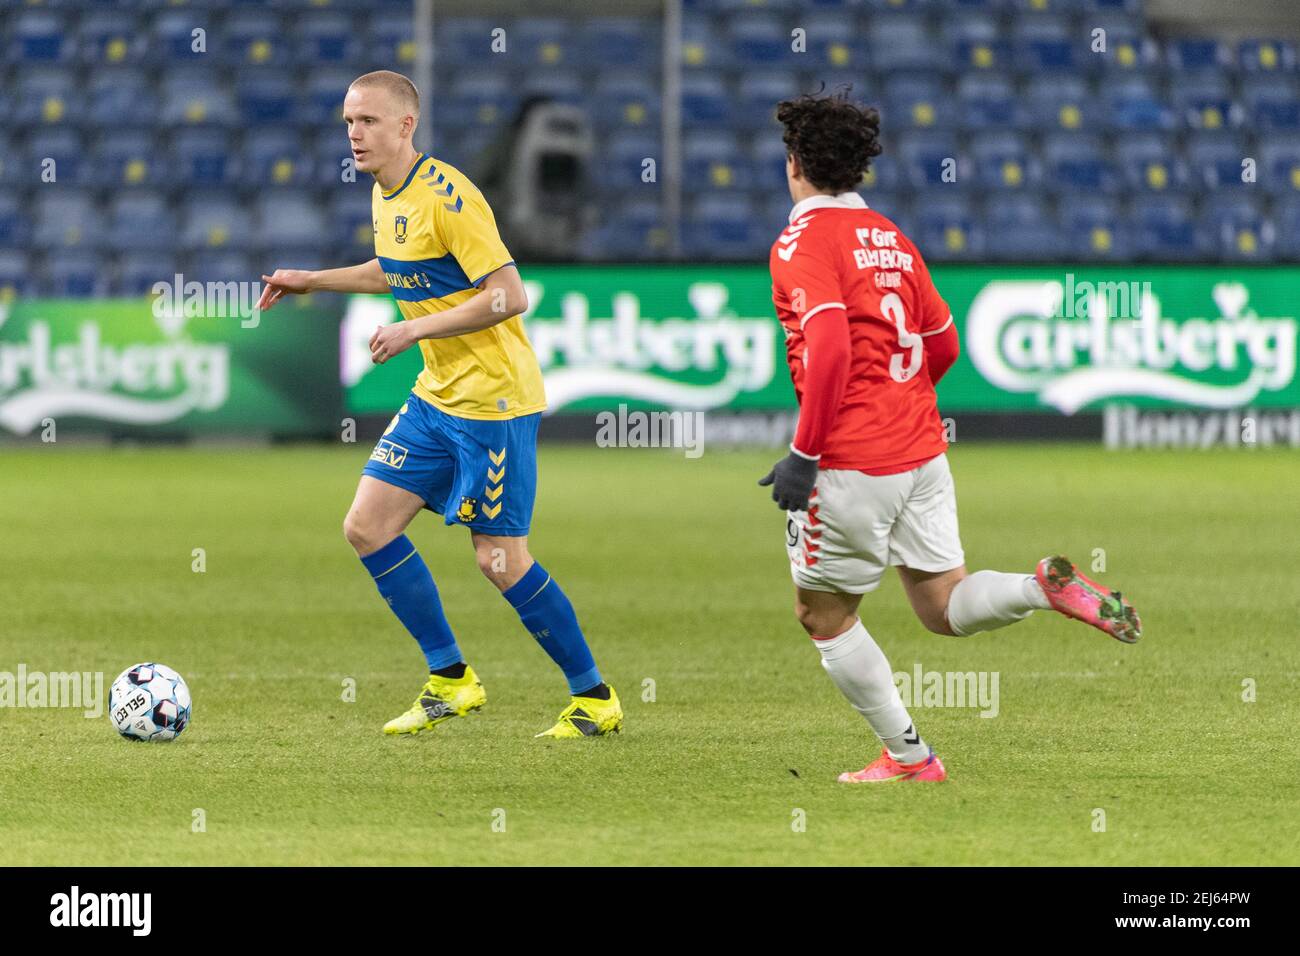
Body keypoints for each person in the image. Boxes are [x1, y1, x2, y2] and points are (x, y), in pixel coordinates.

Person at [759, 91, 1140, 783]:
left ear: (794, 165)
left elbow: (832, 348)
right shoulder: (891, 237)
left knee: (822, 616)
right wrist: (900, 401)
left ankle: (910, 758)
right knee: (942, 606)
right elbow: (943, 342)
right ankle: (1038, 589)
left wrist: (805, 455)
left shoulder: (799, 241)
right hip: (921, 451)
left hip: (853, 460)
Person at [258, 70, 622, 739]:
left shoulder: (449, 197)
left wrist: (413, 328)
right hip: (437, 396)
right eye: (347, 122)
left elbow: (511, 295)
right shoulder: (383, 192)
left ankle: (593, 697)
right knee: (367, 525)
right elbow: (391, 268)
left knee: (500, 561)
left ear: (405, 126)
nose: (353, 135)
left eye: (366, 121)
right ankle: (451, 680)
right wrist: (314, 279)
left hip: (493, 401)